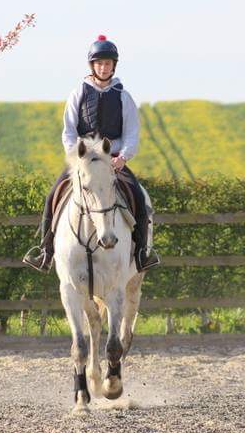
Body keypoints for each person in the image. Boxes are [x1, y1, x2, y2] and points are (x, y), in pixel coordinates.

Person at [22, 34, 160, 273]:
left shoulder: (123, 97)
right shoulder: (79, 93)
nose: (104, 67)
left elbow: (132, 133)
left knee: (137, 195)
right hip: (83, 160)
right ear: (92, 66)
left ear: (113, 66)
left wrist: (123, 158)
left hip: (113, 160)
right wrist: (77, 158)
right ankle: (45, 251)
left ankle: (141, 253)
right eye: (99, 63)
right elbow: (68, 131)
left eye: (107, 63)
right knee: (53, 196)